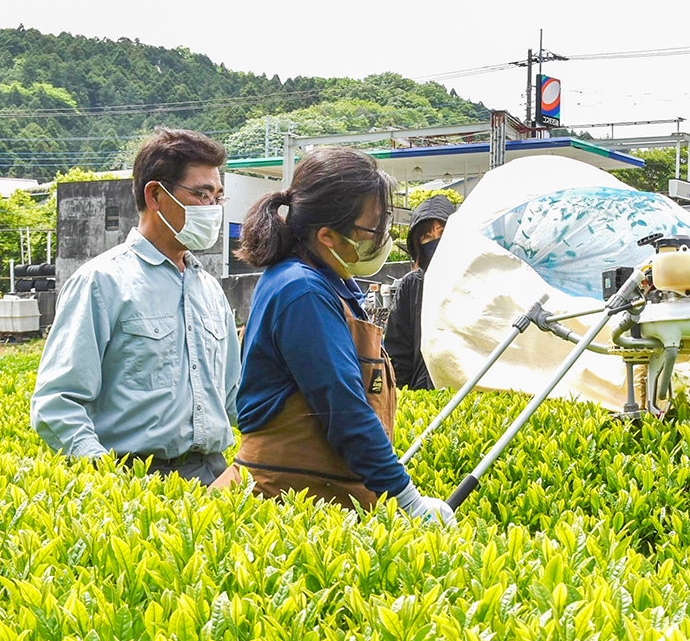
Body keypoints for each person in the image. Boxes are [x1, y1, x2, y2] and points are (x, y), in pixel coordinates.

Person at [229, 146, 453, 524]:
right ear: (329, 236)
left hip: (316, 496)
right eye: (373, 227)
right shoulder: (303, 292)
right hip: (288, 502)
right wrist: (408, 499)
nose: (382, 237)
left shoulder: (328, 284)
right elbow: (344, 409)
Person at [31, 128, 240, 483]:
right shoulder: (101, 282)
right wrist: (105, 475)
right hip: (134, 479)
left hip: (213, 475)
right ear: (156, 195)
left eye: (218, 197)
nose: (213, 209)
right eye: (202, 194)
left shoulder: (209, 289)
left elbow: (236, 397)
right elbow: (58, 400)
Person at [385, 194, 455, 390]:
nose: (436, 241)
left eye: (442, 232)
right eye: (427, 236)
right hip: (422, 389)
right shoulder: (412, 285)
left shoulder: (475, 278)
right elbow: (398, 350)